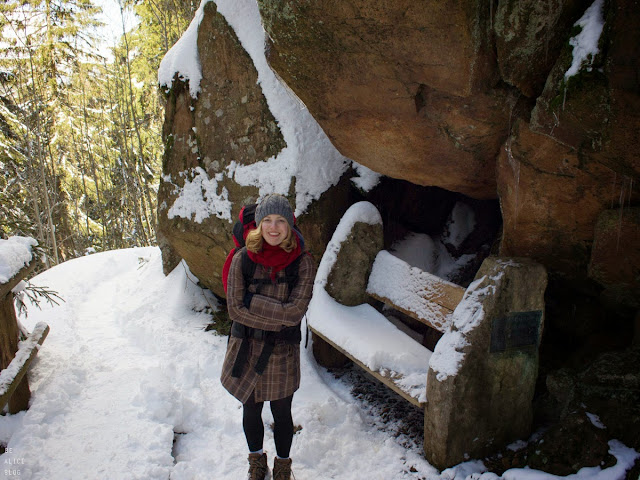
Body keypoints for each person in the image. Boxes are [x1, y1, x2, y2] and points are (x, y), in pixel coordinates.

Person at [220, 194, 315, 480]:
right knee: (251, 409)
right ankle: (256, 462)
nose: (274, 228)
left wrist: (253, 300)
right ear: (259, 224)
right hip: (247, 348)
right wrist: (277, 315)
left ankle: (283, 467)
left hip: (282, 350)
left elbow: (295, 313)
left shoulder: (302, 262)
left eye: (281, 221)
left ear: (290, 225)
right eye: (268, 221)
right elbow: (235, 310)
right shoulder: (242, 259)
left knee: (282, 412)